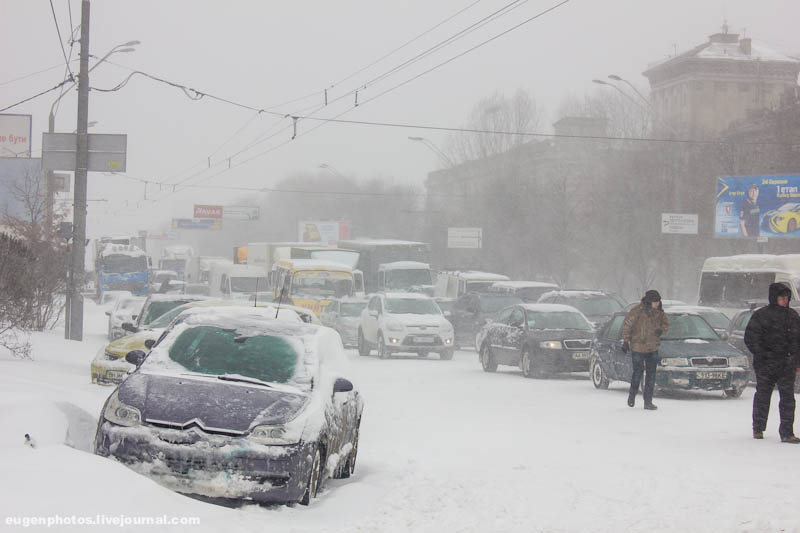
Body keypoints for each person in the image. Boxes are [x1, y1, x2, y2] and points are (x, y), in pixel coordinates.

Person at [744, 282, 800, 443]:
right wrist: (763, 355)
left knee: (788, 399)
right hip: (765, 365)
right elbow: (751, 338)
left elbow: (797, 340)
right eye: (781, 297)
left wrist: (796, 361)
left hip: (787, 364)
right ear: (774, 298)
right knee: (763, 396)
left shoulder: (793, 316)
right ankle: (758, 428)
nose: (784, 300)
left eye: (786, 298)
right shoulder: (761, 315)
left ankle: (787, 432)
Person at [622, 289, 669, 410]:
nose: (657, 304)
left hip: (653, 347)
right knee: (637, 373)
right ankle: (632, 396)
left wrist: (661, 330)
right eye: (655, 301)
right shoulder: (637, 311)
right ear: (649, 301)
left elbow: (666, 324)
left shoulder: (659, 313)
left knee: (651, 376)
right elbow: (627, 325)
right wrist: (626, 341)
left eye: (658, 301)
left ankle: (648, 401)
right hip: (638, 346)